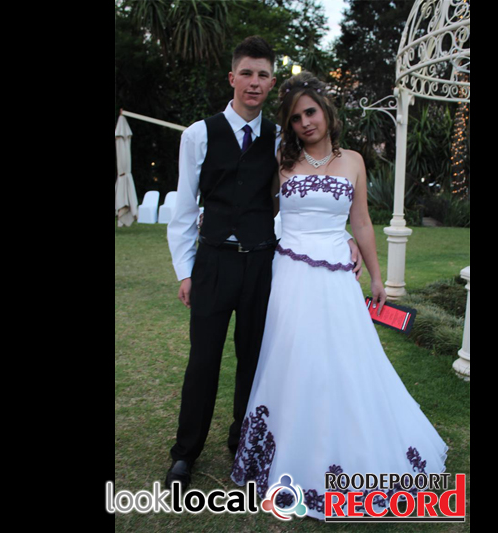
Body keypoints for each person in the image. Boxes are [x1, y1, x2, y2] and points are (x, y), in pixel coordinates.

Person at [230, 72, 448, 520]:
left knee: (345, 361)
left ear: (326, 111)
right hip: (289, 277)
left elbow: (361, 221)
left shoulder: (353, 161)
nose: (305, 123)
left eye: (310, 112)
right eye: (295, 119)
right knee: (292, 361)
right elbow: (264, 213)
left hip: (336, 280)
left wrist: (376, 276)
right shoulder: (281, 161)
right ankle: (289, 456)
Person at [166, 38, 361, 491]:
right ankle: (185, 454)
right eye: (247, 74)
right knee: (203, 361)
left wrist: (344, 236)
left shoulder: (280, 139)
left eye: (263, 75)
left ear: (272, 83)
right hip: (213, 263)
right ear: (232, 78)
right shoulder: (198, 135)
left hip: (262, 265)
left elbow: (306, 195)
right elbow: (183, 210)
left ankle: (244, 439)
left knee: (254, 358)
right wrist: (185, 271)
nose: (254, 83)